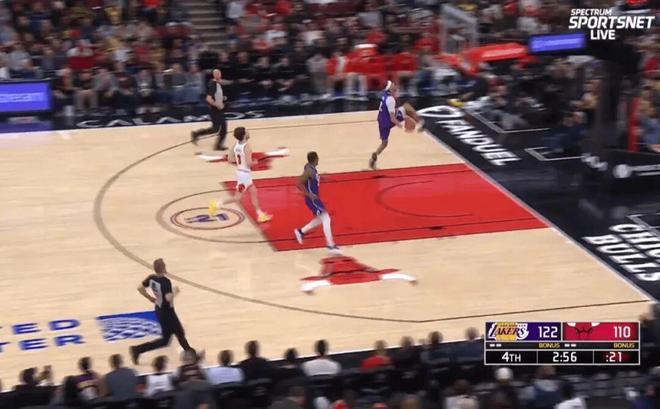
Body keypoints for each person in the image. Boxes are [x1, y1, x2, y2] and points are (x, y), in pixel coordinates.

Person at [130, 258, 194, 365]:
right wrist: (175, 291)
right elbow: (168, 298)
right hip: (168, 313)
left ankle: (137, 350)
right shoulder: (165, 282)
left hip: (159, 310)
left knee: (166, 340)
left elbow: (140, 288)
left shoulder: (151, 278)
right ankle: (193, 356)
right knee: (180, 334)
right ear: (163, 268)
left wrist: (150, 298)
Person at [208, 126, 272, 223]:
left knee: (254, 191)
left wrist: (240, 161)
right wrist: (255, 162)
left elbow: (230, 160)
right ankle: (216, 204)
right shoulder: (247, 147)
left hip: (241, 172)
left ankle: (260, 214)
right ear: (244, 135)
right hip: (244, 175)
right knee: (237, 198)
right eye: (246, 131)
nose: (248, 132)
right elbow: (249, 163)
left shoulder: (235, 145)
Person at [294, 151, 341, 255]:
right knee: (326, 218)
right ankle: (331, 245)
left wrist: (321, 177)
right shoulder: (309, 171)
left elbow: (312, 179)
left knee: (320, 219)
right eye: (318, 158)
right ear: (315, 159)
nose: (318, 159)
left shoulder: (311, 168)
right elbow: (298, 183)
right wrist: (308, 194)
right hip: (312, 199)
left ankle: (300, 231)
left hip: (315, 199)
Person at [370, 81, 425, 169]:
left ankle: (374, 157)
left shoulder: (385, 95)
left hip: (381, 121)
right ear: (389, 88)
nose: (394, 85)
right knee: (407, 107)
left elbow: (391, 109)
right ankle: (421, 123)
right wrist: (402, 125)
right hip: (388, 121)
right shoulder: (390, 100)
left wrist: (403, 116)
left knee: (384, 143)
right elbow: (392, 118)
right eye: (392, 85)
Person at [191, 68, 228, 150]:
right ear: (214, 75)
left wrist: (223, 99)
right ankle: (196, 133)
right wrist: (217, 105)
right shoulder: (213, 84)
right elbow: (208, 98)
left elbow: (217, 96)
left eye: (219, 73)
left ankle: (218, 145)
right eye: (216, 73)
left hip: (218, 109)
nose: (218, 75)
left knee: (222, 127)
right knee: (216, 129)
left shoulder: (218, 84)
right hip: (214, 110)